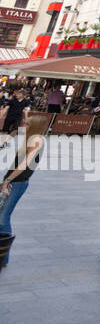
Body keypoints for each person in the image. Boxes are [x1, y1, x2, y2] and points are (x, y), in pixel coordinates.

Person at [0, 109, 46, 269]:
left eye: (27, 124)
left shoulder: (37, 140)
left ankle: (3, 257)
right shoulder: (32, 138)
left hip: (18, 182)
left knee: (4, 217)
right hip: (13, 180)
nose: (24, 125)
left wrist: (8, 180)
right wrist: (26, 114)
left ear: (34, 127)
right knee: (1, 214)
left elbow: (24, 164)